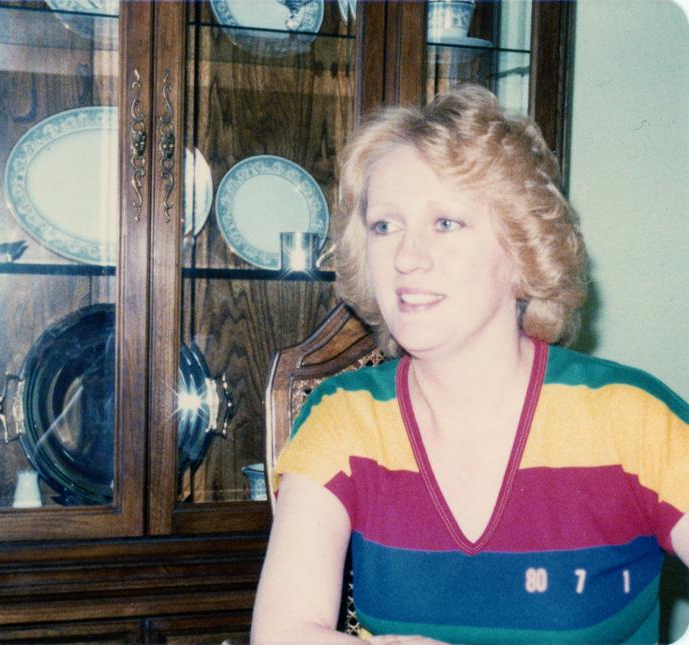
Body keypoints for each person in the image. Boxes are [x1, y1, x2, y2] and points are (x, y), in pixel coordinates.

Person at [251, 84, 689, 644]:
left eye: (445, 223)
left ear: (521, 248)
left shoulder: (630, 418)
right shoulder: (344, 417)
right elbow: (283, 633)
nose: (406, 257)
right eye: (384, 226)